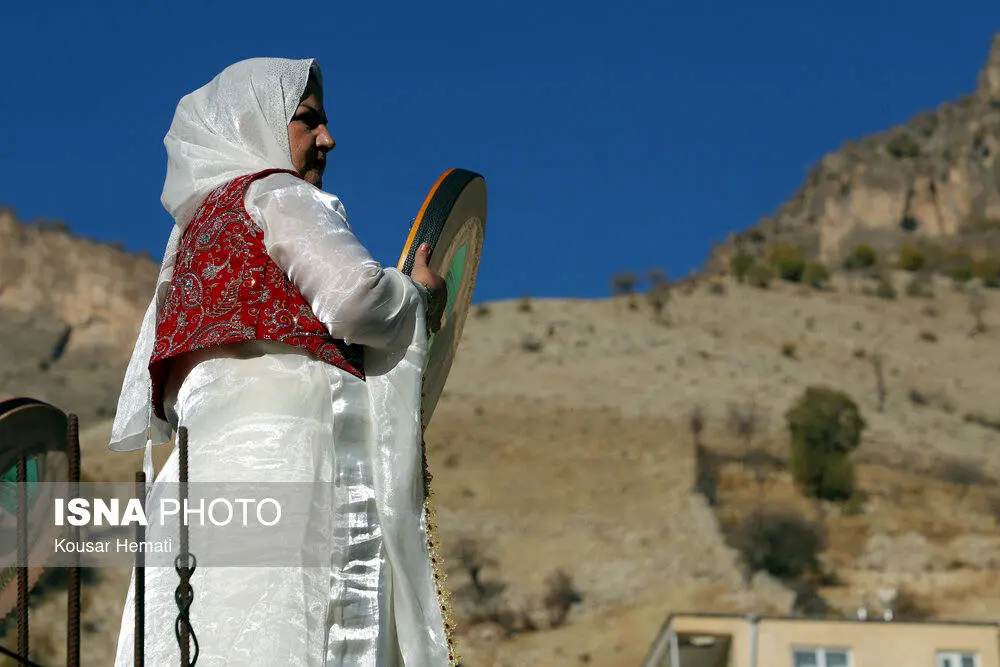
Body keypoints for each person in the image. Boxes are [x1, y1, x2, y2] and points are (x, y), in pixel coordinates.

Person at [108, 57, 454, 666]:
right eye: (308, 120)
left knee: (206, 629)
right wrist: (418, 295)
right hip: (294, 454)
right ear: (256, 123)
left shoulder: (189, 241)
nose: (328, 139)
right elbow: (357, 300)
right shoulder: (278, 194)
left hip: (200, 483)